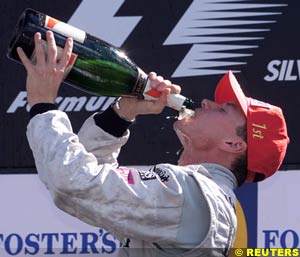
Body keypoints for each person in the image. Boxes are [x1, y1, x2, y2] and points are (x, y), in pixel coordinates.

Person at [17, 31, 289, 257]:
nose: (207, 102)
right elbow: (90, 183)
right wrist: (122, 113)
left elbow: (74, 183)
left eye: (222, 109)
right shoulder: (199, 196)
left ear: (233, 143)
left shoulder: (192, 194)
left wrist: (43, 106)